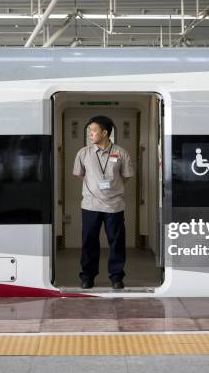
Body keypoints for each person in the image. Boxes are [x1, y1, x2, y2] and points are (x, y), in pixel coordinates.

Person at [73, 115, 134, 290]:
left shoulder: (120, 152)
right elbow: (79, 174)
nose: (90, 134)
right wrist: (94, 187)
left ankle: (116, 277)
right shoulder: (83, 153)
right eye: (89, 131)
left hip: (114, 206)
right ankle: (87, 276)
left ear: (105, 133)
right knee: (89, 241)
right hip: (90, 205)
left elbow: (126, 176)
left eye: (93, 131)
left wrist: (112, 188)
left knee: (116, 242)